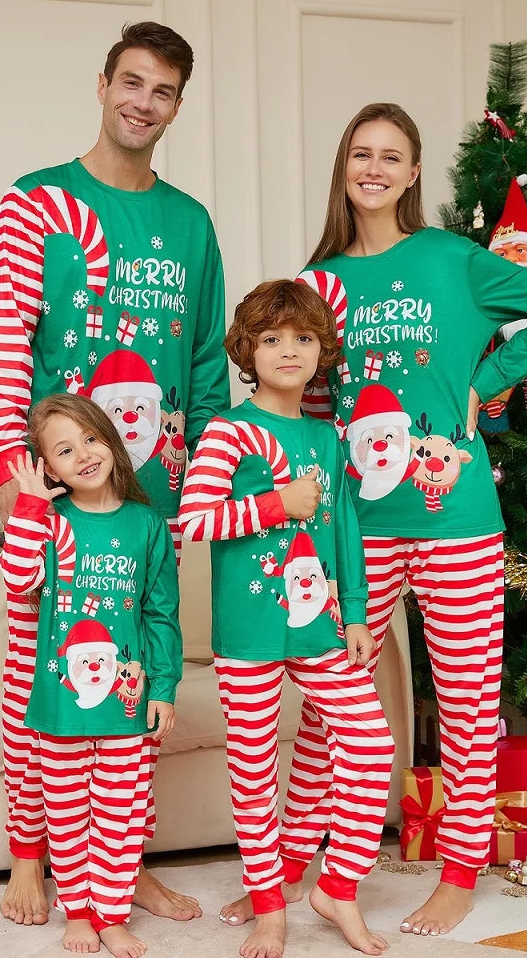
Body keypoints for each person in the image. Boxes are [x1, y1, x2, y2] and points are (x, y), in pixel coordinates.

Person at [219, 102, 527, 939]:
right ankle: (282, 876)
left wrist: (491, 376)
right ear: (344, 168)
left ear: (414, 173)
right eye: (361, 154)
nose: (375, 169)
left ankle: (459, 874)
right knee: (326, 706)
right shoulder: (318, 284)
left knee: (463, 700)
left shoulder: (454, 260)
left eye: (392, 156)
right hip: (354, 521)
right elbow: (306, 404)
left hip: (455, 515)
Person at [0, 20, 229, 926]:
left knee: (136, 686)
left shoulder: (191, 223)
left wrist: (204, 484)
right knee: (36, 678)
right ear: (102, 84)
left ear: (176, 106)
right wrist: (17, 482)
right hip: (53, 488)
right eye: (132, 82)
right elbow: (8, 348)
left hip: (151, 496)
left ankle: (123, 870)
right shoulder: (36, 203)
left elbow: (204, 369)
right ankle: (29, 857)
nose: (143, 102)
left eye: (163, 91)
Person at [179, 279, 395, 958]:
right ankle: (271, 907)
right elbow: (194, 518)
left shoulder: (327, 436)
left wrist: (356, 614)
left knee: (371, 745)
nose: (288, 350)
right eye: (271, 338)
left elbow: (346, 532)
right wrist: (275, 504)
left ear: (322, 350)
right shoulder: (228, 430)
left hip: (320, 625)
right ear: (247, 349)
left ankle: (339, 886)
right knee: (253, 772)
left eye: (303, 338)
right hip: (248, 634)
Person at [0, 393, 183, 957]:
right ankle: (77, 911)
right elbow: (18, 581)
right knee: (68, 814)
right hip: (60, 704)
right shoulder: (50, 522)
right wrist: (30, 507)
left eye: (91, 439)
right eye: (63, 449)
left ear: (112, 440)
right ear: (48, 468)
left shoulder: (147, 525)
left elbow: (160, 612)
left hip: (128, 703)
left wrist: (166, 686)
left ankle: (111, 914)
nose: (82, 454)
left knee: (120, 819)